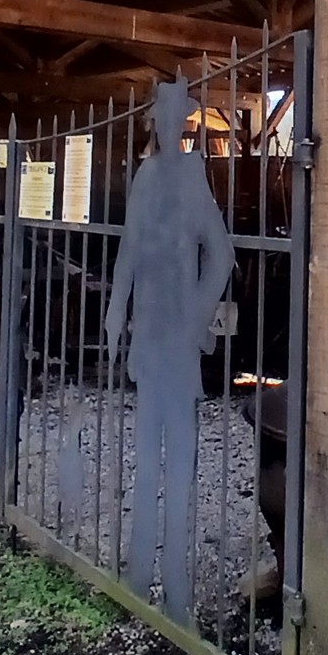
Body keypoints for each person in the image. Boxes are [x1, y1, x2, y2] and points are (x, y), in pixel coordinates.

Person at [104, 78, 235, 619]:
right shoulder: (147, 175)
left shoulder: (190, 179)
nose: (165, 125)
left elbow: (222, 254)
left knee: (179, 461)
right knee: (145, 456)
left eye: (173, 117)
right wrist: (116, 311)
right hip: (148, 333)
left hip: (177, 340)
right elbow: (130, 247)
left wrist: (195, 318)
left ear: (183, 125)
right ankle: (138, 575)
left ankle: (177, 591)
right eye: (159, 117)